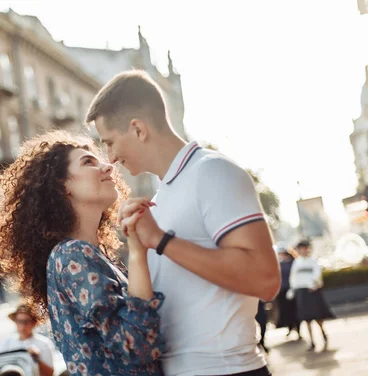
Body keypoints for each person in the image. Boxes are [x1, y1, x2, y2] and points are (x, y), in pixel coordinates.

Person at [87, 70, 281, 376]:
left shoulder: (213, 172)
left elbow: (266, 280)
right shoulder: (161, 197)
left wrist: (162, 241)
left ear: (137, 129)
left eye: (109, 142)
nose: (109, 158)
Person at [0, 130, 165, 375]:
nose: (108, 166)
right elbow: (136, 348)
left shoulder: (85, 254)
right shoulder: (73, 255)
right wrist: (137, 250)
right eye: (88, 162)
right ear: (63, 187)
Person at [0, 304, 55, 376]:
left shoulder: (43, 343)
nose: (22, 326)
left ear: (34, 323)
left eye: (26, 322)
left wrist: (36, 358)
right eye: (19, 321)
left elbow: (49, 373)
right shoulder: (6, 341)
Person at [289, 240, 335, 351]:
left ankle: (323, 334)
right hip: (302, 292)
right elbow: (293, 277)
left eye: (305, 248)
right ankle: (311, 341)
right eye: (301, 248)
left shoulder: (313, 261)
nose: (303, 250)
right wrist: (292, 289)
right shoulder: (297, 262)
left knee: (318, 317)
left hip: (312, 291)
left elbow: (317, 274)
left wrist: (313, 284)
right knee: (306, 318)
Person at [274, 245, 301, 339]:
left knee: (294, 310)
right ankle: (289, 328)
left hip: (292, 290)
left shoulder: (293, 263)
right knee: (285, 311)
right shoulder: (278, 264)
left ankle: (298, 330)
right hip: (282, 291)